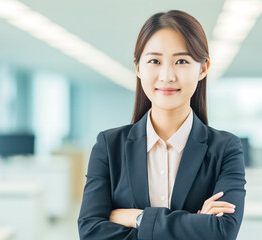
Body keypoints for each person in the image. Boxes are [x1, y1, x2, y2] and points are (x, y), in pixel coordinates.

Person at [78, 10, 246, 240]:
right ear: (138, 67)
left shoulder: (225, 148)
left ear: (203, 68)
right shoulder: (108, 146)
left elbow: (222, 232)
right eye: (155, 61)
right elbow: (90, 232)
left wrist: (137, 219)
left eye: (181, 61)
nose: (167, 76)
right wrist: (195, 224)